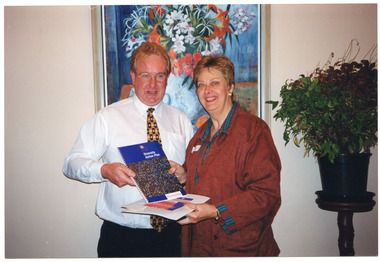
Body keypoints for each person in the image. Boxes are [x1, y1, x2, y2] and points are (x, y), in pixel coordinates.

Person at [62, 42, 193, 257]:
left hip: (172, 237)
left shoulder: (181, 120)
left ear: (168, 78)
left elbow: (193, 174)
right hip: (122, 240)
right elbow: (71, 163)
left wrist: (185, 175)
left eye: (160, 76)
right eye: (145, 75)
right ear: (133, 77)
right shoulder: (108, 117)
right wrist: (104, 171)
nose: (152, 84)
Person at [173, 55, 281, 256]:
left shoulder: (254, 131)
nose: (207, 91)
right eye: (201, 85)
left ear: (230, 87)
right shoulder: (198, 136)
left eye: (215, 83)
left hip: (240, 249)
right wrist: (184, 175)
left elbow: (267, 194)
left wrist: (216, 211)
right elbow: (208, 179)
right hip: (199, 246)